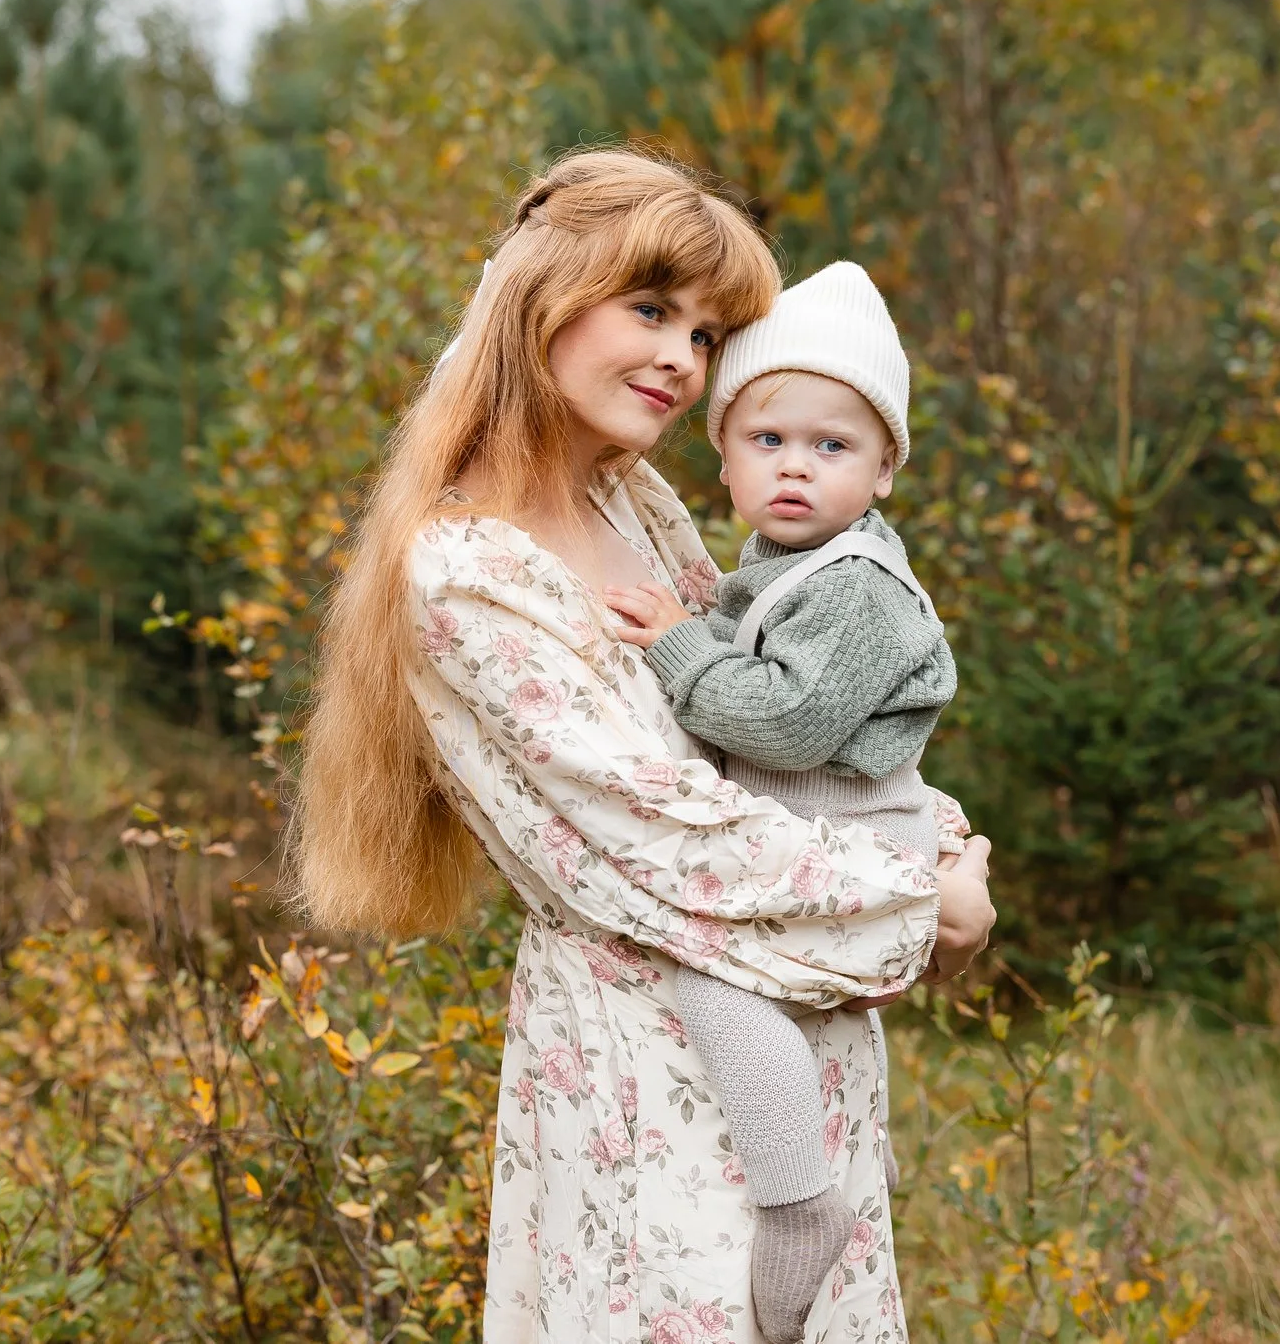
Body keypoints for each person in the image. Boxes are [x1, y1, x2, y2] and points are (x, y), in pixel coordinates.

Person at [287, 149, 996, 1344]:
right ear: (542, 299)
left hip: (789, 1031)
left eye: (709, 333)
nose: (682, 357)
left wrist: (940, 834)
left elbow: (765, 732)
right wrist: (921, 896)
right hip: (654, 1077)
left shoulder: (632, 498)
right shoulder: (468, 569)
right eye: (652, 309)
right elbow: (666, 837)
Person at [601, 261, 958, 1344]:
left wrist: (677, 644)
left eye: (832, 445)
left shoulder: (853, 583)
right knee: (755, 985)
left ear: (885, 467)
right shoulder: (780, 558)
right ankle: (833, 1146)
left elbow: (791, 724)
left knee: (715, 975)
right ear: (723, 457)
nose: (796, 467)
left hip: (850, 835)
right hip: (811, 830)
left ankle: (800, 1195)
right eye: (768, 441)